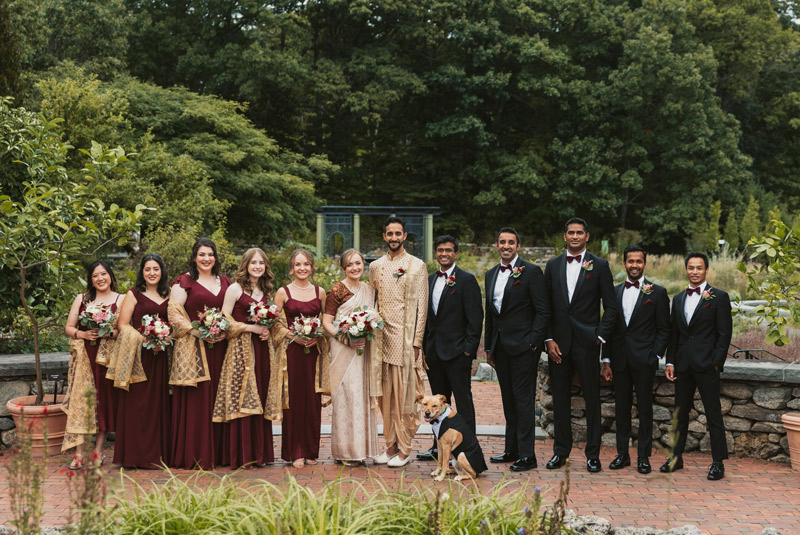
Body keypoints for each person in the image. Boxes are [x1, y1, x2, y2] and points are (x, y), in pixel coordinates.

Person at [544, 217, 617, 473]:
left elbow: (611, 307)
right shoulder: (552, 266)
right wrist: (548, 338)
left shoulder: (599, 266)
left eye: (579, 233)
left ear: (587, 236)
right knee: (561, 400)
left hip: (588, 344)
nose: (575, 236)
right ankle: (560, 453)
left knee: (592, 399)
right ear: (564, 237)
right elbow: (546, 308)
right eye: (571, 233)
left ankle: (593, 455)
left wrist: (599, 335)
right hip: (558, 345)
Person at [661, 252, 732, 480]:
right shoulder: (679, 298)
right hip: (683, 365)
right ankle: (676, 457)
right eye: (691, 267)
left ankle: (717, 462)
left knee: (713, 415)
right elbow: (674, 334)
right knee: (680, 413)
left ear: (706, 270)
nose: (694, 271)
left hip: (706, 366)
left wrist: (716, 363)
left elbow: (724, 334)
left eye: (699, 268)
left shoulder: (719, 297)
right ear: (686, 270)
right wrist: (670, 361)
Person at [483, 227, 549, 472]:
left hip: (524, 348)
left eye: (511, 242)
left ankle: (527, 455)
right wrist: (489, 347)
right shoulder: (491, 274)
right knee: (508, 401)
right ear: (497, 245)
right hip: (500, 348)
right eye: (502, 242)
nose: (506, 246)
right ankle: (510, 449)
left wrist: (533, 342)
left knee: (523, 402)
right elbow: (491, 315)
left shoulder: (531, 272)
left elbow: (542, 310)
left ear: (518, 246)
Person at [601, 245, 669, 474]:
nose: (634, 265)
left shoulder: (657, 293)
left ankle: (643, 457)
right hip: (619, 360)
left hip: (644, 361)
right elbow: (609, 328)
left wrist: (656, 355)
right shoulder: (615, 291)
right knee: (621, 409)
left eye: (639, 261)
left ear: (644, 264)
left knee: (645, 410)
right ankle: (622, 455)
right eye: (630, 261)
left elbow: (664, 329)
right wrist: (606, 360)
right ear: (624, 264)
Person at [168, 237, 232, 469]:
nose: (207, 258)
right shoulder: (184, 282)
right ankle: (197, 454)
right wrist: (197, 333)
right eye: (202, 254)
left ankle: (221, 454)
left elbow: (232, 312)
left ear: (216, 257)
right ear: (194, 257)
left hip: (221, 348)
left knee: (219, 398)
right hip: (194, 349)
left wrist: (225, 331)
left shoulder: (225, 281)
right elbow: (174, 315)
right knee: (199, 401)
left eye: (210, 254)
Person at [369, 216, 428, 467]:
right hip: (381, 342)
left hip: (405, 343)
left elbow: (422, 308)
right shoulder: (375, 266)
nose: (394, 238)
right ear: (385, 237)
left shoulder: (417, 266)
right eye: (389, 234)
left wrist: (417, 342)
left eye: (398, 234)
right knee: (386, 398)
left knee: (406, 397)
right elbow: (371, 303)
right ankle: (390, 446)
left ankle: (405, 448)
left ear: (405, 236)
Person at [418, 235, 483, 463]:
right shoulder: (428, 280)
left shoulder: (466, 280)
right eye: (440, 250)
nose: (443, 254)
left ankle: (469, 450)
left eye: (448, 250)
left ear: (456, 253)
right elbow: (426, 318)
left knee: (463, 404)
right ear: (435, 253)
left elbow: (476, 319)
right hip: (434, 355)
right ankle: (438, 448)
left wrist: (468, 352)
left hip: (457, 354)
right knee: (436, 407)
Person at [216, 248, 277, 468]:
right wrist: (251, 328)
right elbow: (225, 320)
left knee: (259, 394)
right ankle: (241, 455)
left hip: (261, 351)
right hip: (240, 350)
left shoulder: (267, 291)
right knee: (241, 396)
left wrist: (267, 330)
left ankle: (259, 454)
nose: (258, 266)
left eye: (261, 263)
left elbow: (269, 322)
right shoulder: (235, 289)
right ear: (246, 265)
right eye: (253, 263)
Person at [109, 253, 171, 469]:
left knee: (160, 405)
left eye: (156, 269)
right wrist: (146, 338)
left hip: (162, 357)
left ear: (162, 271)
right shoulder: (134, 294)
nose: (152, 273)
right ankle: (135, 456)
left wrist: (163, 338)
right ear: (142, 273)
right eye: (147, 269)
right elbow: (123, 325)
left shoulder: (169, 294)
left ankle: (158, 455)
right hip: (139, 356)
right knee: (138, 405)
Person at [322, 248, 381, 466]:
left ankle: (364, 449)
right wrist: (345, 338)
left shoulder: (369, 290)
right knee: (346, 396)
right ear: (343, 268)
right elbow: (326, 322)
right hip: (343, 350)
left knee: (362, 398)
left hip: (363, 351)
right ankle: (346, 452)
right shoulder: (337, 290)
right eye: (350, 265)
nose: (355, 268)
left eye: (358, 263)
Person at [62, 260, 123, 468]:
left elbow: (124, 328)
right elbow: (69, 327)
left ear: (110, 276)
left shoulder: (121, 299)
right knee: (83, 404)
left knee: (103, 403)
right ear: (91, 279)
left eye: (104, 274)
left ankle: (98, 452)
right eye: (95, 275)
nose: (100, 278)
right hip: (85, 358)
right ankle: (79, 453)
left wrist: (109, 333)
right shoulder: (82, 299)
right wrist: (82, 333)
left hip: (107, 359)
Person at [272, 249, 329, 469]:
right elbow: (275, 322)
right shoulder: (283, 292)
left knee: (312, 402)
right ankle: (294, 451)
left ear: (312, 267)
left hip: (313, 353)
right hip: (292, 355)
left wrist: (319, 336)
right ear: (291, 268)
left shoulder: (320, 292)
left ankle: (310, 450)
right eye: (297, 264)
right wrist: (292, 336)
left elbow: (326, 321)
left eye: (306, 264)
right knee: (293, 401)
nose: (302, 268)